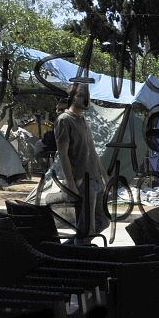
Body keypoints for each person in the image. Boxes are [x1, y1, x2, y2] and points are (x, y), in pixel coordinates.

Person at [55, 83, 109, 245]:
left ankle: (67, 250)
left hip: (96, 181)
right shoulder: (64, 120)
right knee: (86, 230)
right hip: (83, 182)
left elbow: (92, 151)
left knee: (103, 221)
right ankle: (77, 255)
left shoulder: (82, 119)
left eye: (86, 96)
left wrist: (106, 178)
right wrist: (71, 185)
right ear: (71, 97)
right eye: (79, 95)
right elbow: (63, 154)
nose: (84, 99)